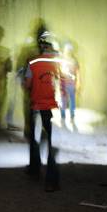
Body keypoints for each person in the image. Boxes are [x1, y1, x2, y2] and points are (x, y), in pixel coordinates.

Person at [24, 31, 62, 192]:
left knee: (35, 140)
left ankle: (34, 170)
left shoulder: (32, 62)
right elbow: (62, 82)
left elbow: (27, 84)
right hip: (52, 108)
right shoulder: (58, 62)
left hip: (36, 106)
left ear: (41, 45)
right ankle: (51, 182)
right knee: (53, 143)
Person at [59, 42, 80, 126]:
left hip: (68, 83)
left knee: (69, 100)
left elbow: (78, 72)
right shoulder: (70, 60)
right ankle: (66, 115)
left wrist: (78, 82)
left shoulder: (68, 60)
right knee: (67, 100)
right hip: (66, 83)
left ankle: (68, 115)